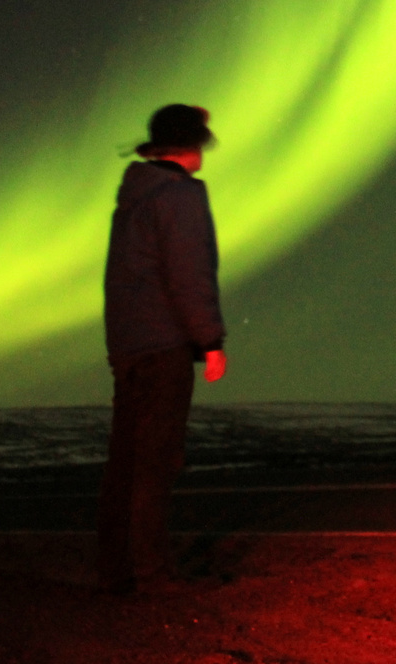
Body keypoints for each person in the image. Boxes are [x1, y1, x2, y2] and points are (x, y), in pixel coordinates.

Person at [96, 103, 228, 595]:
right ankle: (152, 572)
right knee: (156, 461)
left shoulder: (134, 198)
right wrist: (209, 340)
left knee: (126, 462)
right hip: (163, 344)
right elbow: (188, 274)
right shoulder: (179, 197)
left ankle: (117, 568)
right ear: (189, 146)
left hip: (129, 345)